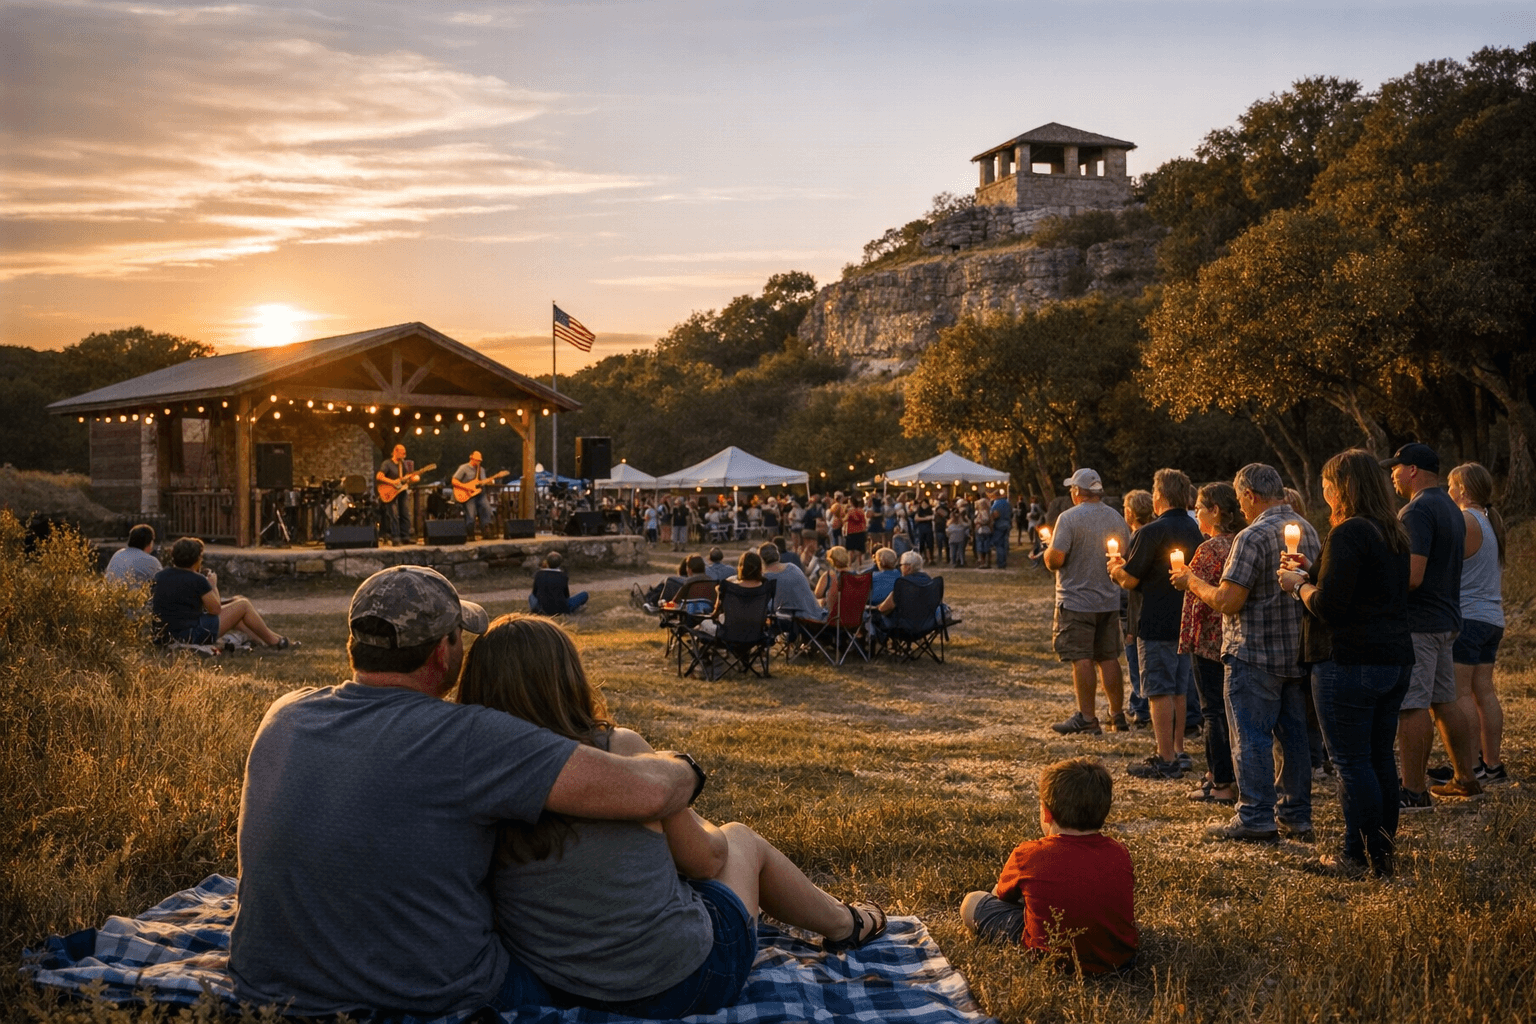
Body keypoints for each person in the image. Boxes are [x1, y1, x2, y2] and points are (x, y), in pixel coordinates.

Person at [230, 566, 703, 1017]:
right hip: (427, 996)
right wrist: (687, 768)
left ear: (354, 645)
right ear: (443, 652)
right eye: (461, 636)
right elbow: (647, 794)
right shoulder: (468, 737)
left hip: (265, 986)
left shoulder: (285, 714)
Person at [459, 615, 885, 1017]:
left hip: (563, 986)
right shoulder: (618, 751)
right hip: (686, 984)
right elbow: (705, 860)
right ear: (566, 679)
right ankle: (844, 923)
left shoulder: (468, 778)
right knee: (739, 839)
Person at [1277, 449, 1412, 877]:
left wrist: (1296, 586)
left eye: (1327, 485)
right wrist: (1311, 570)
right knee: (1378, 758)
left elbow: (1332, 605)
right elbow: (1356, 585)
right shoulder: (1390, 531)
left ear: (1344, 487)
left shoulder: (1349, 531)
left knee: (1352, 762)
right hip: (1392, 658)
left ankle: (1363, 857)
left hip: (1349, 661)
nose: (1323, 492)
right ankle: (1378, 853)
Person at [1172, 464, 1318, 843]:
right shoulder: (1308, 530)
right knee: (1293, 737)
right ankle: (1296, 813)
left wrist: (1192, 582)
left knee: (1250, 735)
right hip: (1296, 651)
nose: (1241, 507)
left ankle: (1255, 815)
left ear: (1251, 496)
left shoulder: (1252, 537)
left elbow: (1229, 600)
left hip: (1254, 652)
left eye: (1241, 500)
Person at [959, 758, 1138, 974]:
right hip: (1119, 961)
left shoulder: (1029, 854)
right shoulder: (1120, 852)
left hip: (1051, 958)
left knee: (972, 902)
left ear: (1046, 812)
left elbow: (1000, 896)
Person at [1382, 443, 1481, 807]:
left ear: (1412, 470)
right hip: (1446, 617)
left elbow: (1413, 574)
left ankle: (1413, 790)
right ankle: (1465, 777)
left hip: (1419, 622)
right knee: (1444, 701)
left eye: (1395, 467)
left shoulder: (1417, 510)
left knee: (1413, 705)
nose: (1391, 474)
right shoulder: (1452, 509)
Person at [1109, 470, 1204, 780]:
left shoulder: (1150, 532)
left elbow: (1132, 578)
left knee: (1158, 690)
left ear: (1159, 497)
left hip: (1155, 619)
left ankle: (1165, 757)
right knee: (1178, 688)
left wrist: (1116, 570)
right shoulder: (1194, 528)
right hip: (1186, 619)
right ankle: (1178, 750)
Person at [1045, 469, 1131, 736]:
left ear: (1077, 492)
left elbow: (1055, 560)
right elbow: (1125, 555)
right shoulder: (1116, 517)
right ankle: (1117, 714)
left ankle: (1087, 717)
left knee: (1081, 657)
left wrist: (1048, 549)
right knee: (1108, 657)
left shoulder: (1069, 518)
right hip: (1108, 597)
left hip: (1076, 600)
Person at [1441, 463, 1509, 785]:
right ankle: (1492, 765)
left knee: (1460, 694)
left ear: (1463, 490)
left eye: (1451, 486)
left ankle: (1471, 767)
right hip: (1492, 618)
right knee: (1484, 692)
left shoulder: (1466, 520)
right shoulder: (1491, 522)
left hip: (1468, 617)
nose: (1448, 492)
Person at [1181, 483, 1245, 806]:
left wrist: (1184, 579)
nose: (1196, 513)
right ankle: (1216, 773)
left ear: (1216, 511)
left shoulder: (1210, 550)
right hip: (1236, 639)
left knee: (1213, 712)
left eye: (1200, 507)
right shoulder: (1242, 543)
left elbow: (1201, 594)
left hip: (1208, 640)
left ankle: (1221, 780)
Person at [150, 537, 290, 648]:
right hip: (190, 634)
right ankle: (275, 643)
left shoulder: (160, 575)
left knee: (236, 607)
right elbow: (215, 609)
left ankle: (272, 639)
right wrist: (213, 586)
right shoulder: (197, 579)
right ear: (196, 559)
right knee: (243, 605)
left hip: (166, 634)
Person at [1118, 490, 1155, 731]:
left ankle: (1141, 707)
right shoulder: (1152, 534)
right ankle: (1138, 702)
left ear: (1129, 512)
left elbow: (1133, 580)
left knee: (1136, 660)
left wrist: (1117, 569)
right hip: (1143, 609)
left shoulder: (1138, 538)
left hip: (1135, 610)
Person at [759, 542, 826, 623]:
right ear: (778, 556)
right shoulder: (793, 567)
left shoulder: (767, 578)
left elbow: (770, 607)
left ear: (761, 560)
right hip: (814, 616)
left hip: (797, 623)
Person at [376, 443, 415, 545]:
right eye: (402, 453)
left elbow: (405, 478)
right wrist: (392, 482)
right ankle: (395, 537)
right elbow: (379, 476)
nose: (404, 455)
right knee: (393, 514)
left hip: (401, 490)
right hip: (389, 492)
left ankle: (405, 536)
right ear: (395, 452)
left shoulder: (404, 465)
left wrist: (412, 478)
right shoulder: (387, 464)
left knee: (405, 512)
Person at [529, 551, 589, 616]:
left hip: (542, 608)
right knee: (584, 594)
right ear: (560, 563)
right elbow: (566, 596)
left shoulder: (539, 574)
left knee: (531, 596)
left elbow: (534, 593)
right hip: (561, 609)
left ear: (547, 562)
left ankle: (537, 611)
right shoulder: (563, 576)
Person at [453, 451, 495, 540]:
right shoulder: (463, 468)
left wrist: (489, 482)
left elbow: (482, 482)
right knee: (471, 515)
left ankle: (486, 533)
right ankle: (470, 534)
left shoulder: (481, 470)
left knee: (487, 510)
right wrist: (466, 487)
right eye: (476, 460)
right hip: (468, 495)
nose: (478, 462)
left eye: (479, 460)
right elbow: (454, 481)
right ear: (471, 458)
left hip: (480, 494)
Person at [991, 490, 1013, 569]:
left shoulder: (996, 504)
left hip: (999, 525)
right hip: (1007, 524)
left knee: (999, 544)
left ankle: (1001, 562)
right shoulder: (1007, 503)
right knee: (1005, 543)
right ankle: (1004, 560)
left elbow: (995, 514)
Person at [843, 502, 867, 569]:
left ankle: (850, 565)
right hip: (860, 531)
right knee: (859, 549)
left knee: (850, 550)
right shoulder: (861, 511)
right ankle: (860, 565)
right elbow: (863, 520)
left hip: (851, 532)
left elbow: (845, 519)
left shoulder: (850, 511)